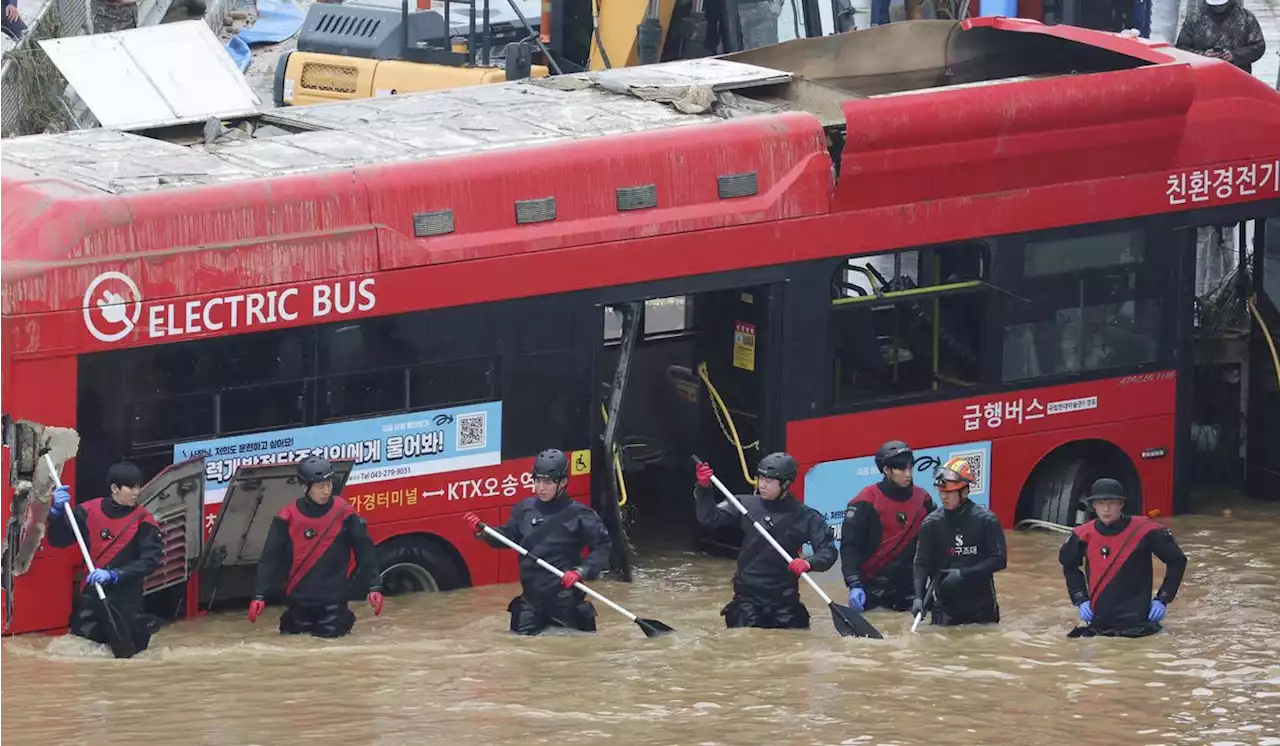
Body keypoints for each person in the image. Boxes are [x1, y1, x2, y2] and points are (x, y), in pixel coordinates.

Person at [463, 448, 612, 636]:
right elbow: (508, 538)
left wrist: (580, 571)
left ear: (563, 482)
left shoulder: (582, 515)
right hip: (530, 602)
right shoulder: (524, 509)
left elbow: (602, 548)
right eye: (537, 480)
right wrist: (484, 532)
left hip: (564, 601)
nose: (541, 487)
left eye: (548, 482)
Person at [695, 452, 838, 630]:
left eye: (769, 481)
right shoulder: (744, 504)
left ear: (785, 484)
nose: (762, 485)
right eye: (761, 478)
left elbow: (828, 551)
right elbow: (709, 518)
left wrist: (808, 564)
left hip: (784, 603)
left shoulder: (806, 517)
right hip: (747, 601)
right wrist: (704, 488)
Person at [249, 456, 383, 638]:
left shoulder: (345, 513)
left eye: (329, 484)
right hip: (298, 605)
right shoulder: (286, 517)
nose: (326, 491)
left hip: (333, 606)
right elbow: (270, 558)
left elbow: (364, 550)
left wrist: (373, 586)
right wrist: (259, 595)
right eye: (320, 486)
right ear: (305, 487)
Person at [46, 461, 161, 653]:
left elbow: (150, 561)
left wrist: (115, 574)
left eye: (138, 486)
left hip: (125, 601)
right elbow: (57, 540)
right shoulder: (88, 511)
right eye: (130, 487)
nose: (136, 492)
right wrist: (56, 512)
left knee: (125, 656)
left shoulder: (144, 521)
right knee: (81, 650)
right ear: (115, 488)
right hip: (91, 596)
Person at [1059, 478, 1188, 638]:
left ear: (1121, 504)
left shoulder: (1146, 530)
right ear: (1093, 506)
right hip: (1099, 623)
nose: (1106, 509)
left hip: (1139, 624)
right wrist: (1080, 599)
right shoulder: (1081, 535)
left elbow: (1177, 561)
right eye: (1100, 503)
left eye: (1112, 503)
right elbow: (1069, 566)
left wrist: (1163, 599)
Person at [842, 440, 936, 614]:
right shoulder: (865, 501)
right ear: (886, 470)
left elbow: (935, 544)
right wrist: (854, 583)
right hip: (875, 590)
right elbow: (850, 547)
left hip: (912, 590)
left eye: (910, 467)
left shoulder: (924, 500)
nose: (908, 474)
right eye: (901, 469)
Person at [911, 457, 1006, 626]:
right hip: (946, 608)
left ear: (964, 492)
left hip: (981, 609)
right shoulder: (931, 524)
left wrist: (963, 573)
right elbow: (921, 563)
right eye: (941, 492)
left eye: (949, 493)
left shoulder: (986, 520)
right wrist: (918, 597)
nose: (943, 497)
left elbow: (999, 560)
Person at [1175, 0, 1266, 74]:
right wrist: (1203, 55)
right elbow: (1181, 48)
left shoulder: (1246, 17)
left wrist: (1234, 55)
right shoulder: (1195, 18)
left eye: (1221, 5)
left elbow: (1258, 46)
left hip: (1238, 77)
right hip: (1204, 75)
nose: (1218, 8)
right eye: (1215, 6)